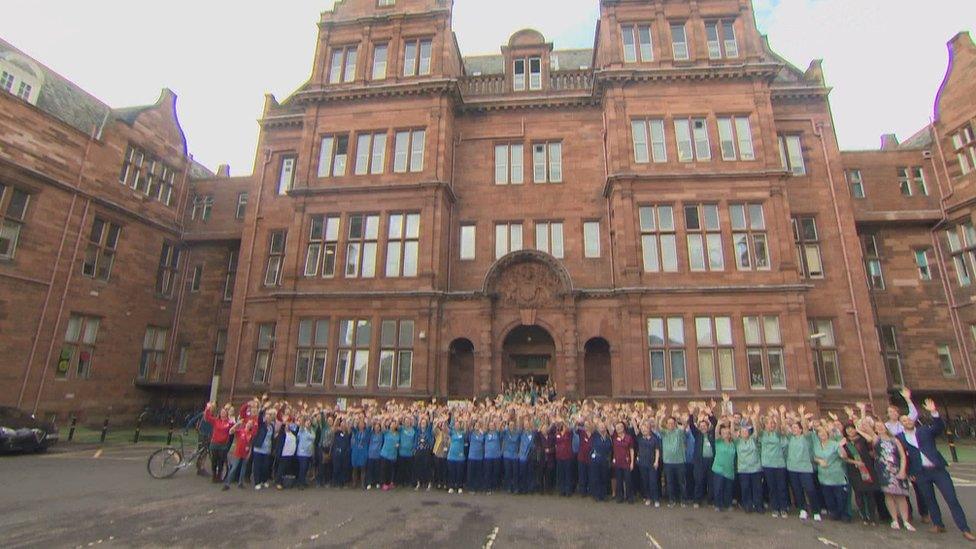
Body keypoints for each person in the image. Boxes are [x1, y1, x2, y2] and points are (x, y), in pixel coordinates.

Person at [897, 397, 975, 541]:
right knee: (929, 500)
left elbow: (939, 427)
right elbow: (901, 456)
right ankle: (938, 524)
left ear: (912, 420)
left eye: (908, 419)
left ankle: (964, 528)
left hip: (937, 469)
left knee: (951, 499)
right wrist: (909, 473)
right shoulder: (900, 438)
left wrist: (934, 413)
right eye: (903, 421)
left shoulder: (924, 431)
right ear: (901, 424)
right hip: (920, 473)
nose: (906, 421)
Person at [858, 418, 913, 530]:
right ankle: (894, 519)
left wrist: (903, 470)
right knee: (888, 495)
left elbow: (902, 456)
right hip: (883, 471)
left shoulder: (895, 440)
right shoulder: (876, 439)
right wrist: (862, 412)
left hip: (896, 469)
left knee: (901, 496)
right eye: (877, 427)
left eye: (881, 425)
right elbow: (865, 426)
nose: (880, 428)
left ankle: (906, 520)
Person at [786, 410, 822, 521]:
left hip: (805, 468)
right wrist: (783, 415)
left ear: (801, 429)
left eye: (796, 428)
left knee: (810, 489)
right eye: (793, 428)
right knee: (797, 490)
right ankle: (803, 509)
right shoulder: (790, 438)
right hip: (792, 468)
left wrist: (801, 415)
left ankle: (815, 511)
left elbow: (806, 429)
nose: (794, 429)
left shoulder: (806, 437)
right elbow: (783, 426)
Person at [842, 421, 880, 526]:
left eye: (852, 428)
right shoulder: (845, 442)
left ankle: (872, 516)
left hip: (867, 468)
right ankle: (863, 515)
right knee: (859, 493)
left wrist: (859, 430)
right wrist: (856, 462)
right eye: (847, 429)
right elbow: (844, 457)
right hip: (854, 469)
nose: (850, 430)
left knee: (870, 493)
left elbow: (870, 439)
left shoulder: (862, 439)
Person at [814, 426, 850, 522]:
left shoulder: (834, 444)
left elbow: (844, 456)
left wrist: (840, 447)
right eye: (820, 433)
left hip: (836, 475)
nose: (822, 435)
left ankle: (844, 514)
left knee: (840, 497)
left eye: (824, 433)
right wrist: (819, 461)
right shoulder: (817, 445)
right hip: (824, 475)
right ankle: (834, 513)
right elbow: (814, 457)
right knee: (829, 497)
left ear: (828, 434)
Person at [734, 407, 763, 514]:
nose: (744, 433)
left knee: (757, 489)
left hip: (755, 468)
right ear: (740, 433)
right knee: (745, 489)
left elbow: (757, 431)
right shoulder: (738, 442)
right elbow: (732, 433)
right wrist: (733, 422)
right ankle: (748, 505)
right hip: (743, 469)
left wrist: (754, 419)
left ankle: (758, 506)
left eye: (746, 431)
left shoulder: (753, 439)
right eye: (742, 431)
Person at [760, 410, 789, 518]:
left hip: (779, 464)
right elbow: (758, 428)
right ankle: (775, 508)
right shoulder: (762, 434)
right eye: (769, 423)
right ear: (765, 425)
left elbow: (780, 427)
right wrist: (756, 415)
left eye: (773, 423)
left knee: (781, 486)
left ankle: (783, 508)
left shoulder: (777, 435)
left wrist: (780, 415)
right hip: (767, 464)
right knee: (772, 487)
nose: (771, 425)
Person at [659, 414, 688, 507]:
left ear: (675, 424)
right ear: (666, 424)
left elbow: (685, 426)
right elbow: (656, 426)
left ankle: (683, 500)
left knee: (681, 482)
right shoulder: (664, 433)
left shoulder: (679, 432)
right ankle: (672, 500)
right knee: (670, 483)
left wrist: (681, 419)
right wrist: (660, 418)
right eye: (669, 423)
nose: (670, 425)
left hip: (680, 462)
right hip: (668, 462)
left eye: (672, 423)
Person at [203, 402, 233, 484]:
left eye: (224, 413)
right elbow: (207, 417)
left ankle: (219, 475)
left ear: (226, 414)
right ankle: (214, 475)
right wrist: (208, 408)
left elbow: (235, 429)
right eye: (222, 413)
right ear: (220, 413)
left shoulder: (229, 423)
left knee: (221, 461)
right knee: (214, 461)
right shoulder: (216, 421)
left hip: (223, 445)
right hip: (215, 444)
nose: (223, 414)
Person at [223, 417, 256, 490]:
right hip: (238, 452)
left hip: (245, 453)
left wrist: (249, 453)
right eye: (249, 423)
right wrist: (237, 424)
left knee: (243, 468)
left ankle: (240, 483)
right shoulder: (240, 431)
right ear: (246, 424)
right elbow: (231, 431)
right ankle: (227, 483)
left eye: (251, 424)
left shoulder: (251, 434)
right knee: (234, 468)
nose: (249, 425)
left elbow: (250, 445)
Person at [711, 424, 736, 511]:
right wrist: (718, 424)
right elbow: (716, 433)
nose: (725, 434)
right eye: (723, 433)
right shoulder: (718, 442)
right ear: (721, 434)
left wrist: (731, 423)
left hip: (729, 470)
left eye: (727, 433)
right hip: (719, 469)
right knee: (718, 488)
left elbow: (733, 434)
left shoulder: (733, 444)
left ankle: (728, 504)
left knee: (728, 489)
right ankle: (718, 505)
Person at [636, 420, 661, 507]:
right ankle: (648, 498)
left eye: (645, 429)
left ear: (649, 429)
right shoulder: (640, 439)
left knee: (653, 482)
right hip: (642, 463)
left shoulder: (655, 439)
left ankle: (656, 499)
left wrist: (656, 461)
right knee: (645, 481)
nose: (644, 431)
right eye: (642, 429)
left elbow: (657, 450)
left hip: (652, 464)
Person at [251, 407, 276, 490]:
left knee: (265, 466)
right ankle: (257, 482)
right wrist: (263, 408)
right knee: (257, 466)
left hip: (267, 450)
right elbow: (260, 417)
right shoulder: (261, 424)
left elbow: (272, 438)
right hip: (259, 449)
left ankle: (264, 480)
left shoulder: (272, 426)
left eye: (270, 417)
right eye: (267, 416)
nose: (268, 418)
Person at [611, 421, 635, 504]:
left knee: (628, 480)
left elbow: (632, 450)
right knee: (619, 480)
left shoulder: (629, 437)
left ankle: (630, 497)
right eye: (617, 428)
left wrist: (632, 462)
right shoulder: (614, 437)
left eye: (620, 427)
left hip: (627, 462)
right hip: (617, 462)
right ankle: (620, 496)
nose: (618, 429)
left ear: (624, 428)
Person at [589, 422, 612, 502]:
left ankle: (604, 495)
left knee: (604, 477)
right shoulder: (595, 435)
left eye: (603, 426)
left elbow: (610, 449)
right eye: (600, 426)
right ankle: (597, 495)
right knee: (596, 477)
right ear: (598, 428)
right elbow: (591, 427)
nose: (602, 427)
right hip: (596, 459)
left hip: (604, 459)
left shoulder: (608, 437)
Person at [554, 420, 575, 497]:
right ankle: (561, 490)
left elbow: (571, 429)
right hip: (559, 457)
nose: (563, 427)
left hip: (567, 456)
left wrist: (565, 422)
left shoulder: (569, 434)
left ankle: (568, 490)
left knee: (568, 474)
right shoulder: (558, 434)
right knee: (561, 474)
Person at [447, 419, 467, 494]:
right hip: (451, 455)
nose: (457, 426)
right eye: (456, 425)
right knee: (452, 472)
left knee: (459, 472)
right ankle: (451, 486)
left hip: (460, 456)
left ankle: (459, 487)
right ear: (454, 426)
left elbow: (466, 430)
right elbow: (445, 429)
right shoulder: (452, 432)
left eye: (458, 425)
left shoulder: (462, 433)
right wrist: (445, 421)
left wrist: (465, 421)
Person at [414, 416, 435, 491]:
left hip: (426, 451)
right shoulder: (418, 431)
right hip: (419, 451)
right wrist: (415, 448)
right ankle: (419, 483)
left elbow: (431, 441)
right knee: (418, 467)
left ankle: (429, 483)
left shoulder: (429, 432)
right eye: (422, 423)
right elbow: (415, 441)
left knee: (427, 467)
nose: (423, 424)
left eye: (424, 423)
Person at [516, 418, 535, 494]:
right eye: (525, 424)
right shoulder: (521, 433)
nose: (526, 426)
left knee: (530, 472)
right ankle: (522, 488)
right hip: (523, 455)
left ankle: (530, 488)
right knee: (522, 473)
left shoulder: (532, 433)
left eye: (528, 424)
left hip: (530, 455)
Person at [295, 418, 316, 488]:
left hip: (309, 453)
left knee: (306, 468)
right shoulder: (302, 430)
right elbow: (301, 425)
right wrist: (303, 417)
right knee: (302, 468)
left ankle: (303, 481)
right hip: (302, 453)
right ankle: (300, 483)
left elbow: (313, 439)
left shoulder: (312, 431)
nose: (308, 424)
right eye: (307, 422)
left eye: (309, 423)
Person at [380, 420, 400, 491]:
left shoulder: (397, 434)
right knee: (384, 470)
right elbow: (382, 427)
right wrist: (385, 419)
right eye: (391, 424)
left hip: (393, 455)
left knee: (391, 470)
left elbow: (398, 442)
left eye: (394, 425)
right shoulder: (387, 432)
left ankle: (389, 483)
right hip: (385, 454)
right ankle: (384, 483)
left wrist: (398, 445)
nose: (393, 426)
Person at [350, 418, 370, 489]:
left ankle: (362, 484)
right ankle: (354, 483)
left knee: (363, 468)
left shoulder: (367, 432)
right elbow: (351, 426)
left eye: (362, 424)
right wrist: (354, 418)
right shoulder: (356, 432)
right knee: (354, 468)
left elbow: (370, 425)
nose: (361, 425)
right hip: (356, 451)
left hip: (363, 451)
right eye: (359, 424)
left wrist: (368, 418)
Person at [467, 420, 486, 493]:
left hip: (479, 456)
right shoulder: (471, 433)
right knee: (471, 473)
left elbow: (483, 441)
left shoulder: (482, 434)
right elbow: (468, 427)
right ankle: (471, 488)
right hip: (472, 456)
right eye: (476, 425)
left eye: (478, 425)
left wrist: (482, 432)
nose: (477, 426)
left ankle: (477, 487)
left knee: (478, 473)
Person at [575, 421, 593, 497]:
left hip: (590, 458)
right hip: (582, 457)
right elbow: (575, 428)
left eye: (588, 425)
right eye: (585, 425)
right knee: (582, 475)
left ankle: (590, 490)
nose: (586, 426)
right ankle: (583, 491)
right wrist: (577, 422)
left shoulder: (594, 434)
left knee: (591, 474)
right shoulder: (581, 432)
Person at [502, 420, 520, 494]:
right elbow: (499, 430)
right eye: (510, 424)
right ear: (508, 426)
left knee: (515, 473)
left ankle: (515, 487)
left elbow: (517, 441)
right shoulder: (506, 432)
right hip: (507, 455)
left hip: (515, 455)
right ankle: (508, 487)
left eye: (513, 424)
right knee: (508, 472)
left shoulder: (517, 433)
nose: (511, 426)